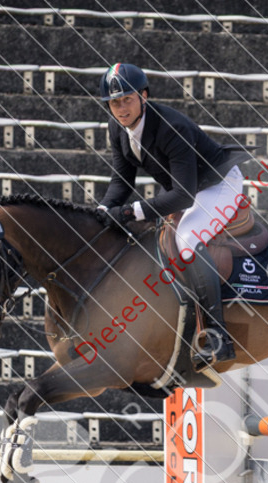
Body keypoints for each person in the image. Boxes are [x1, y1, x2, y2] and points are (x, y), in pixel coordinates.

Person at [96, 63, 252, 370]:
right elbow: (121, 182)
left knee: (187, 239)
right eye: (115, 102)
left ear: (143, 96)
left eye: (127, 99)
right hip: (189, 188)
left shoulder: (170, 127)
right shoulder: (117, 127)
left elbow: (183, 195)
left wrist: (130, 211)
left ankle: (218, 337)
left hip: (218, 184)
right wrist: (102, 211)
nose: (121, 108)